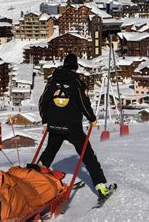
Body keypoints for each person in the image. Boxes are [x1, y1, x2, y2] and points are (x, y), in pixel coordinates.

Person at [38, 53, 111, 200]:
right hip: (73, 127)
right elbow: (84, 103)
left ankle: (35, 183)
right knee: (87, 155)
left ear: (64, 65)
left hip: (54, 126)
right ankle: (101, 186)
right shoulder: (77, 83)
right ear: (75, 67)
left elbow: (42, 102)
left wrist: (45, 121)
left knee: (49, 153)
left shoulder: (52, 82)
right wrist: (92, 118)